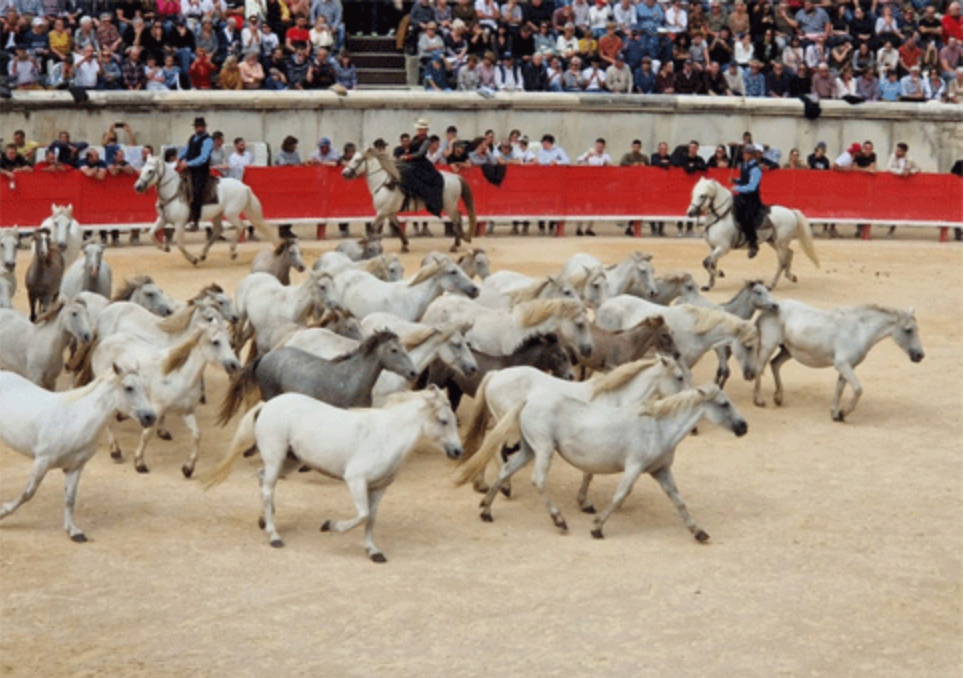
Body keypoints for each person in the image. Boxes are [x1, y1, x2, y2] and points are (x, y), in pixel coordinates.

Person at [396, 118, 446, 218]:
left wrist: (407, 156)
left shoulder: (427, 140)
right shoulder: (415, 139)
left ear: (426, 130)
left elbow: (421, 153)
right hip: (412, 162)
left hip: (421, 163)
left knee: (408, 173)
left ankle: (415, 195)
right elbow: (410, 149)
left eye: (422, 128)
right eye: (419, 128)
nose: (420, 130)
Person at [177, 117, 215, 232]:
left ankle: (195, 220)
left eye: (200, 127)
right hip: (189, 169)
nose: (198, 128)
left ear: (204, 127)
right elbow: (186, 150)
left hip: (200, 171)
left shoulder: (208, 140)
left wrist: (187, 163)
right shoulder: (193, 138)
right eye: (197, 127)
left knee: (196, 191)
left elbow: (203, 158)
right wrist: (179, 158)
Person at [731, 143, 764, 258]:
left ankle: (753, 243)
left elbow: (752, 186)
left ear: (752, 155)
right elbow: (745, 180)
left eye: (747, 153)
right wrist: (736, 180)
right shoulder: (745, 165)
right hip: (743, 196)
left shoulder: (756, 168)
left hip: (752, 198)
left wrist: (737, 187)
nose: (745, 155)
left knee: (747, 217)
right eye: (744, 153)